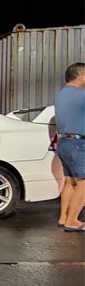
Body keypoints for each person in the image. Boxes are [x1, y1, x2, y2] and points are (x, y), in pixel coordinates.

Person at [54, 62, 85, 231]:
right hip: (78, 144)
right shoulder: (81, 95)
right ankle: (73, 221)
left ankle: (63, 217)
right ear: (80, 77)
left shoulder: (60, 95)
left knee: (70, 182)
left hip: (64, 142)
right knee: (83, 183)